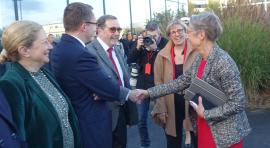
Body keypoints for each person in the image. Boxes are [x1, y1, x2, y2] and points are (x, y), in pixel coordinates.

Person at [139, 12, 251, 148]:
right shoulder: (200, 58)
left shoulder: (223, 62)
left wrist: (206, 113)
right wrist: (148, 93)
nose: (186, 35)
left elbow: (238, 103)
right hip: (204, 126)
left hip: (223, 135)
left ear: (201, 35)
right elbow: (181, 82)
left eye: (189, 32)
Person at [50, 3, 142, 148]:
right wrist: (129, 94)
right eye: (94, 24)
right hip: (92, 123)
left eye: (119, 29)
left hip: (117, 116)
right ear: (84, 26)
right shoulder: (81, 53)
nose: (117, 32)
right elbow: (106, 86)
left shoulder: (62, 48)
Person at [0, 20, 82, 148]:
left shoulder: (43, 71)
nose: (51, 46)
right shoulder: (11, 84)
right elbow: (18, 138)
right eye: (44, 42)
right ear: (25, 50)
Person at [86, 15, 138, 148]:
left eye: (119, 29)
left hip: (120, 114)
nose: (116, 33)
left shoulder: (117, 50)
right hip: (102, 116)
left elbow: (124, 80)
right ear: (99, 30)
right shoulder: (88, 52)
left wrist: (130, 114)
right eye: (112, 29)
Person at [151, 19, 198, 148]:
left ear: (186, 32)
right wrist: (161, 107)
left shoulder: (197, 50)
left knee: (198, 138)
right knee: (173, 140)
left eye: (180, 30)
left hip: (193, 102)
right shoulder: (162, 55)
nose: (177, 34)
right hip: (171, 103)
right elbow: (158, 82)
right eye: (173, 32)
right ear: (169, 35)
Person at [128, 21, 168, 148]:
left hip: (159, 86)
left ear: (159, 33)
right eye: (149, 36)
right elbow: (130, 59)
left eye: (154, 36)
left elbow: (167, 62)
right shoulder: (142, 42)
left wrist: (156, 49)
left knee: (164, 118)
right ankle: (145, 144)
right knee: (141, 120)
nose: (151, 39)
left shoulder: (166, 43)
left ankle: (171, 143)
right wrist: (137, 47)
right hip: (142, 86)